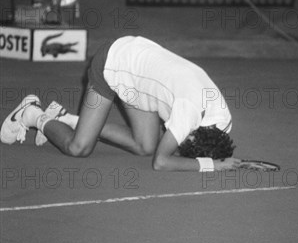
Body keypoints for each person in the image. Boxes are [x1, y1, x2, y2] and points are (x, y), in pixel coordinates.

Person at [0, 36, 242, 172]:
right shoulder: (189, 112)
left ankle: (64, 118)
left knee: (145, 145)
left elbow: (166, 149)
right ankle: (33, 114)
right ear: (194, 133)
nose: (183, 143)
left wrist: (213, 155)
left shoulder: (220, 121)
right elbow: (161, 161)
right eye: (188, 142)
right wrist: (212, 165)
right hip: (115, 64)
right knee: (79, 148)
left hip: (140, 74)